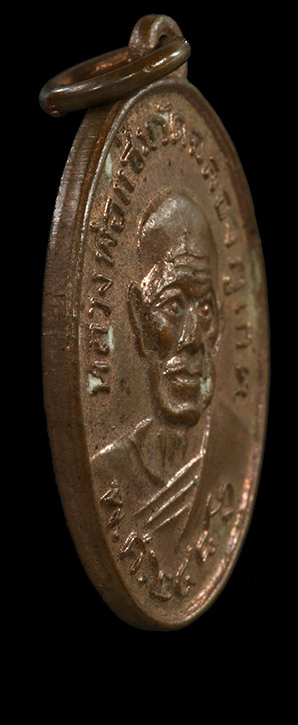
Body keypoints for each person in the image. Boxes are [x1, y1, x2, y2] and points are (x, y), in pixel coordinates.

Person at [92, 191, 249, 561]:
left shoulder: (234, 447)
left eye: (205, 309)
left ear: (219, 322)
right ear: (138, 317)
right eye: (173, 305)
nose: (193, 339)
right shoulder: (108, 472)